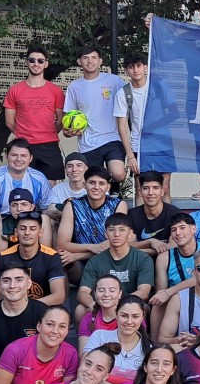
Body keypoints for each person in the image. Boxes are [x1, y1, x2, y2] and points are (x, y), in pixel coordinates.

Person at [62, 46, 127, 183]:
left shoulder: (114, 81)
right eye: (85, 58)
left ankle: (114, 190)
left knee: (119, 174)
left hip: (112, 138)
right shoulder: (74, 87)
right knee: (93, 180)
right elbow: (68, 119)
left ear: (100, 61)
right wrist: (69, 132)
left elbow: (131, 96)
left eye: (94, 58)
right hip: (88, 143)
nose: (90, 61)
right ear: (79, 62)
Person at [3, 46, 66, 182]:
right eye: (32, 60)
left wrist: (47, 133)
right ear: (27, 62)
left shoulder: (55, 90)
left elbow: (61, 119)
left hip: (49, 145)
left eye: (40, 61)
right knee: (23, 185)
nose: (36, 64)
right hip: (24, 145)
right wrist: (24, 135)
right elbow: (9, 121)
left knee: (49, 188)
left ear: (46, 64)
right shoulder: (15, 90)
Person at [77, 214, 155, 320]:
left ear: (130, 234)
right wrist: (93, 304)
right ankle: (85, 337)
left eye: (122, 230)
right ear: (106, 234)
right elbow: (82, 293)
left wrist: (117, 304)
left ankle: (141, 337)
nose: (116, 234)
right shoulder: (95, 261)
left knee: (143, 308)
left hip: (129, 305)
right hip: (102, 305)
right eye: (112, 230)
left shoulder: (143, 259)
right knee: (80, 310)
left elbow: (144, 292)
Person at [56, 167, 127, 281]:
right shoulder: (73, 205)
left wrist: (79, 255)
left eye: (101, 183)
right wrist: (92, 247)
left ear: (108, 187)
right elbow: (62, 244)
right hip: (80, 264)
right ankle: (63, 298)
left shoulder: (118, 205)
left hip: (110, 259)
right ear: (84, 184)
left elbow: (119, 241)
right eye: (92, 183)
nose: (96, 187)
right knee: (62, 258)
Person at [0, 211, 66, 306]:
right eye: (22, 229)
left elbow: (59, 296)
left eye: (32, 229)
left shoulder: (52, 256)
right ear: (16, 232)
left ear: (41, 232)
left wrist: (26, 307)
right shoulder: (3, 257)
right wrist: (15, 308)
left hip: (42, 310)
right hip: (11, 311)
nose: (27, 233)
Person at [84, 295, 149, 384]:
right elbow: (86, 373)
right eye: (124, 315)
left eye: (135, 316)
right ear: (116, 314)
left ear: (142, 317)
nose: (129, 321)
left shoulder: (150, 349)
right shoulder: (99, 336)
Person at [114, 54, 155, 193]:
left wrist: (152, 126)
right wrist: (130, 156)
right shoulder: (123, 93)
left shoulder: (156, 87)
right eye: (131, 67)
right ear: (126, 71)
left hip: (160, 143)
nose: (135, 70)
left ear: (145, 68)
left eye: (138, 66)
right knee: (140, 188)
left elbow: (173, 113)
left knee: (164, 187)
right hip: (138, 145)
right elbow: (121, 126)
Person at [0, 139, 51, 217]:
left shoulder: (39, 178)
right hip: (2, 219)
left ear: (30, 158)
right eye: (14, 155)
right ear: (6, 156)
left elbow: (47, 206)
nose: (18, 159)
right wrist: (0, 223)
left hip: (30, 221)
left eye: (23, 156)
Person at [126, 171, 181, 256]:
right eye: (146, 188)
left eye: (155, 188)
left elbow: (174, 246)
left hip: (167, 262)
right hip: (139, 263)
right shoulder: (132, 215)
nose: (151, 193)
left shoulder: (174, 213)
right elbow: (128, 244)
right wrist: (150, 241)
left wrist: (144, 250)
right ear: (140, 192)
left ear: (162, 191)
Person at [0, 189, 54, 254]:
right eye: (14, 205)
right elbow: (0, 255)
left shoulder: (42, 219)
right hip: (12, 261)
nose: (19, 209)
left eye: (24, 204)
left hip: (38, 261)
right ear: (9, 208)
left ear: (32, 207)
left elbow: (46, 251)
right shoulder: (4, 222)